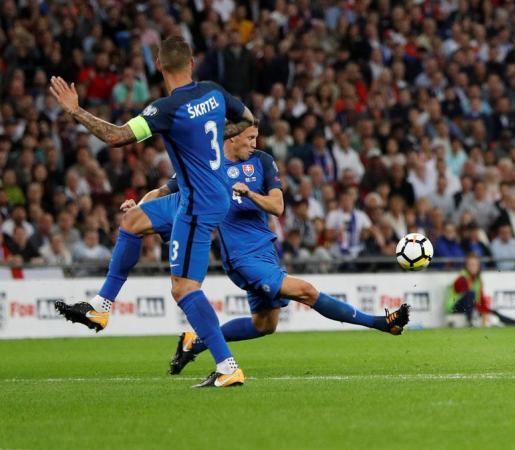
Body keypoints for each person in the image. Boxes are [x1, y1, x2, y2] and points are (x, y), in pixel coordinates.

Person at [49, 35, 256, 388]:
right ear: (192, 63)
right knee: (133, 221)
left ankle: (227, 366)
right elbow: (248, 118)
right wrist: (210, 139)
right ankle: (101, 307)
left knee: (184, 289)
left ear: (158, 65)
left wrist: (75, 111)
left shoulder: (165, 109)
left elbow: (116, 137)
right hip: (208, 191)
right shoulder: (214, 92)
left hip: (197, 204)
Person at [122, 125, 410, 375]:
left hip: (265, 250)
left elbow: (277, 206)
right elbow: (163, 191)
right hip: (241, 257)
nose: (254, 143)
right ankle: (381, 323)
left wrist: (250, 193)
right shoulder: (206, 165)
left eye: (256, 137)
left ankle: (193, 343)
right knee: (307, 291)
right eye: (250, 137)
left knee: (264, 325)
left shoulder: (262, 161)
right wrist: (140, 208)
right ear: (232, 137)